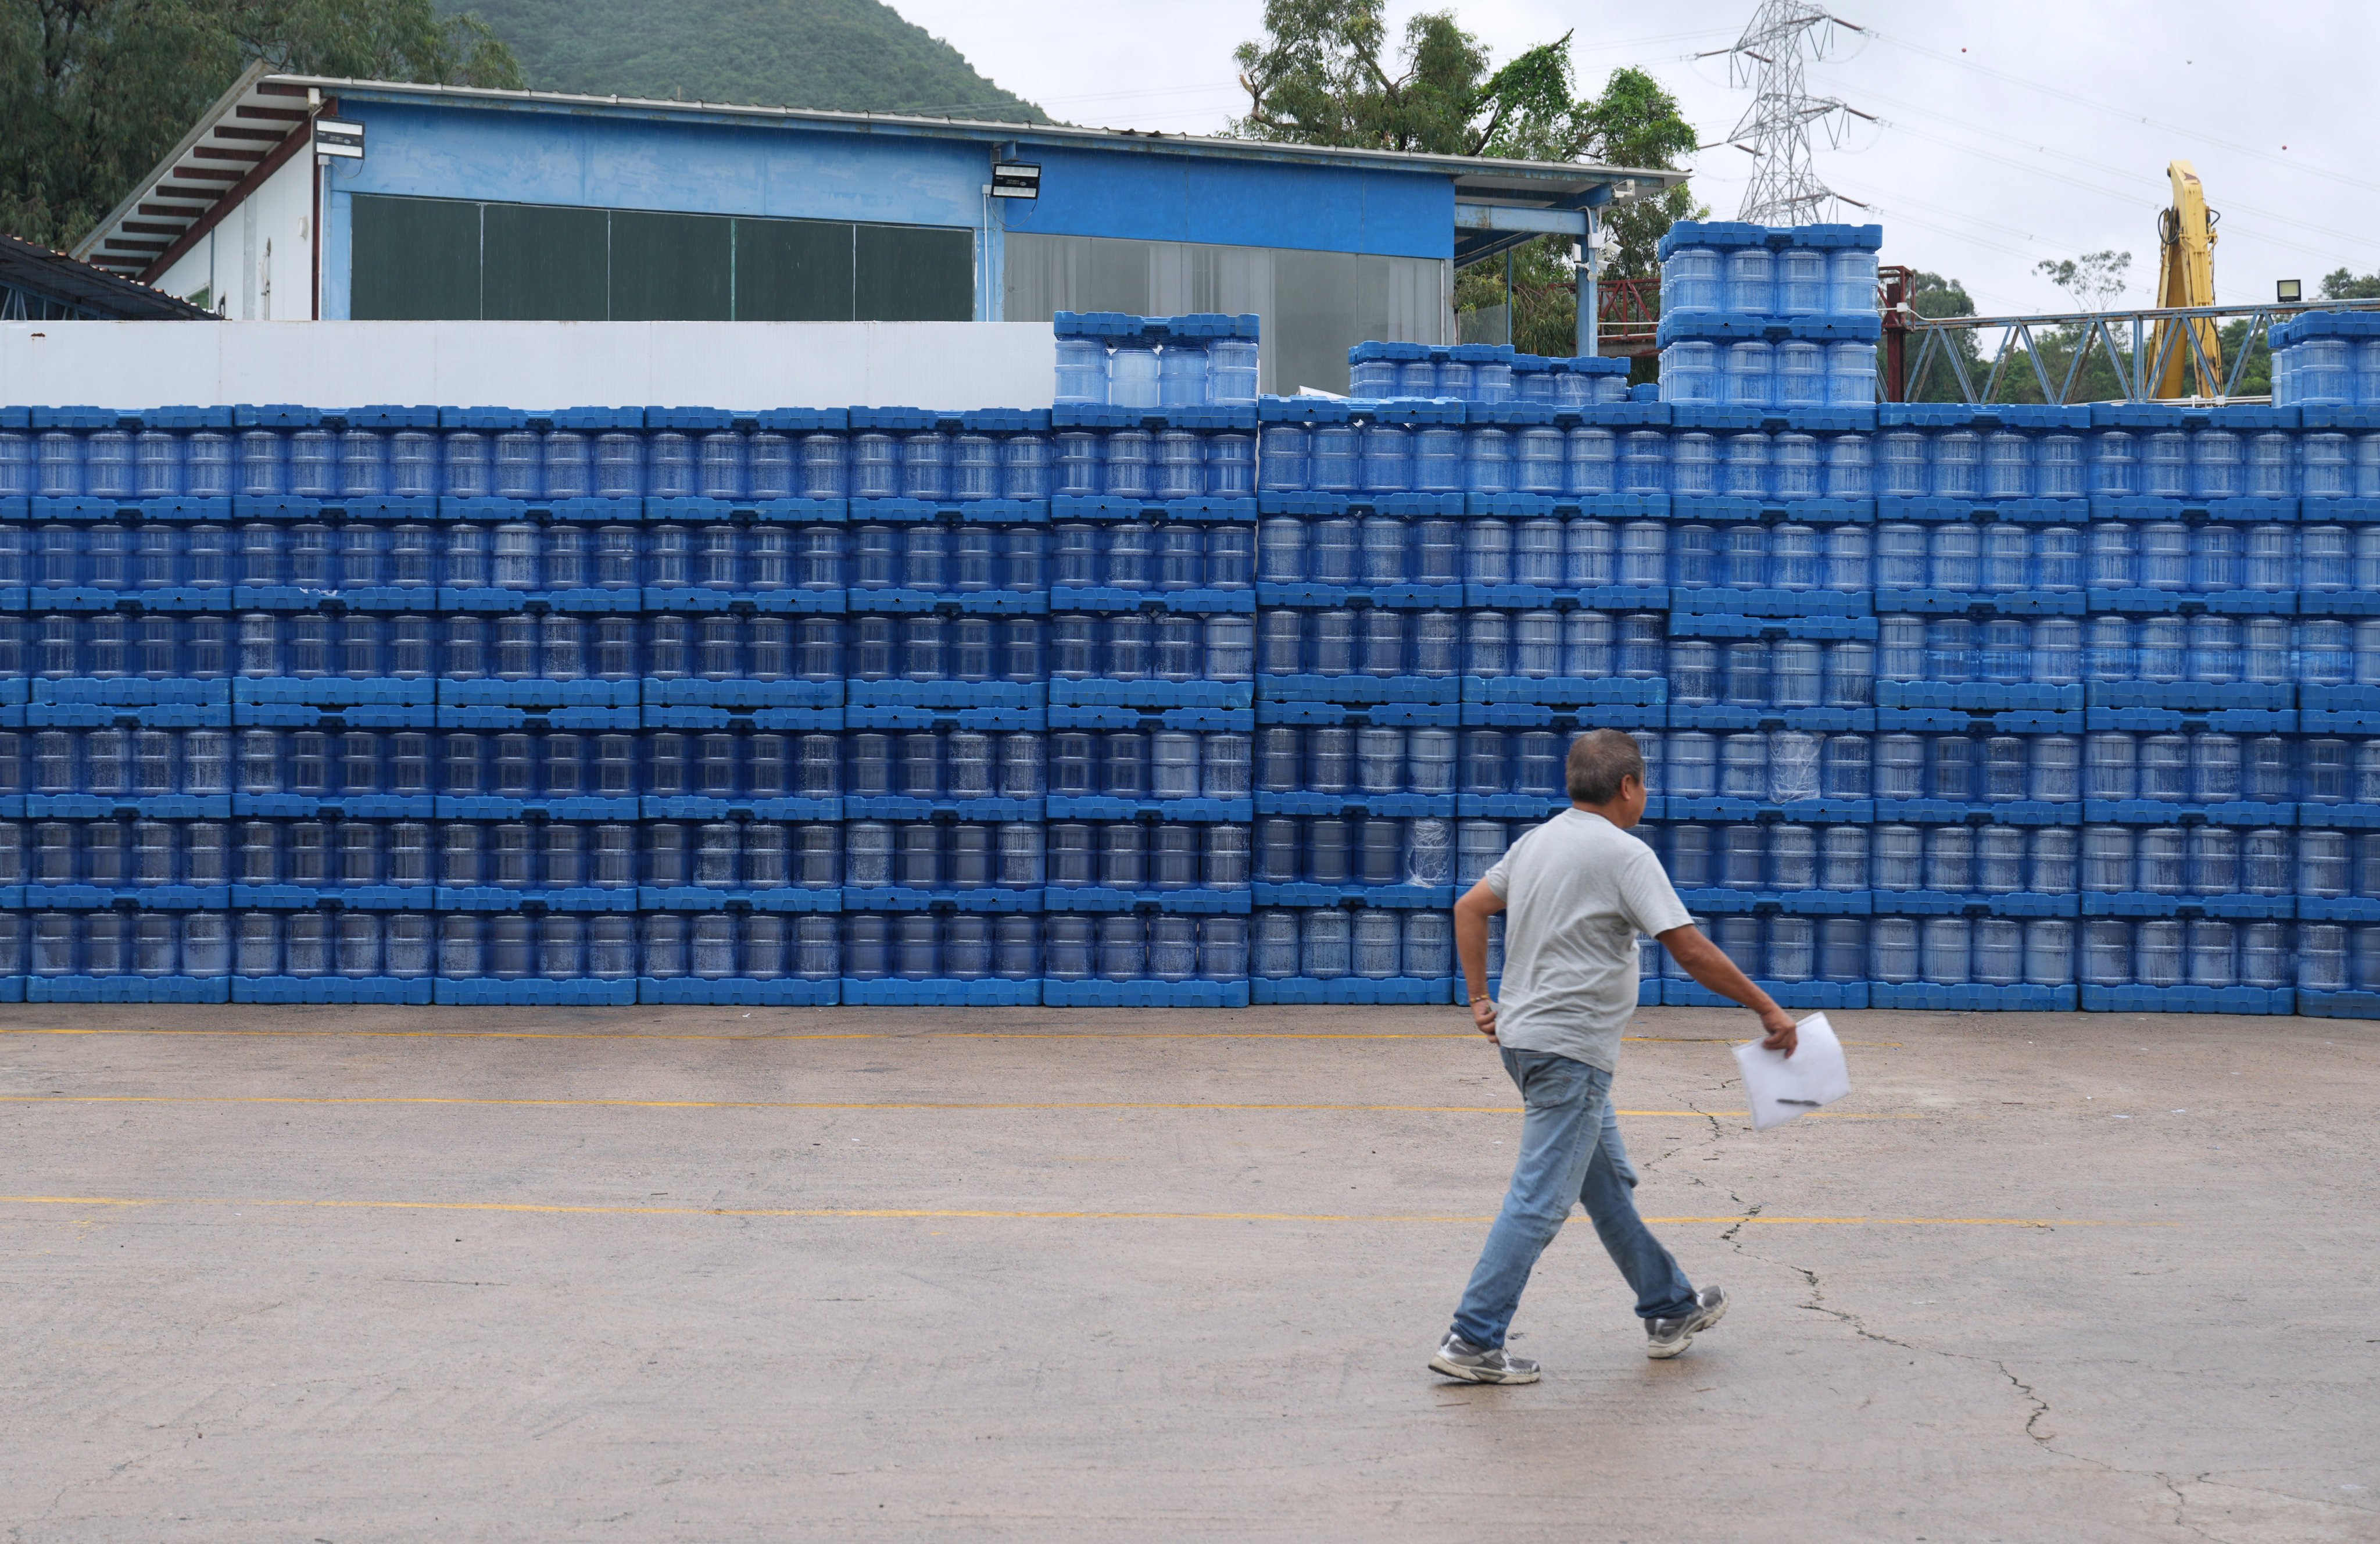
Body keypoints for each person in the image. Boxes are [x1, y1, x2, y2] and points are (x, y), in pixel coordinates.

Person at [1429, 728, 1799, 1384]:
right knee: (1540, 1199)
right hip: (1570, 1052)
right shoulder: (1625, 854)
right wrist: (1765, 1007)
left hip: (1527, 1042)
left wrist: (1480, 997)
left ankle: (1669, 1307)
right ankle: (1473, 1338)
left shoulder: (1539, 840)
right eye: (1645, 783)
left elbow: (1470, 906)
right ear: (1628, 786)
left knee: (1605, 1186)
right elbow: (1688, 949)